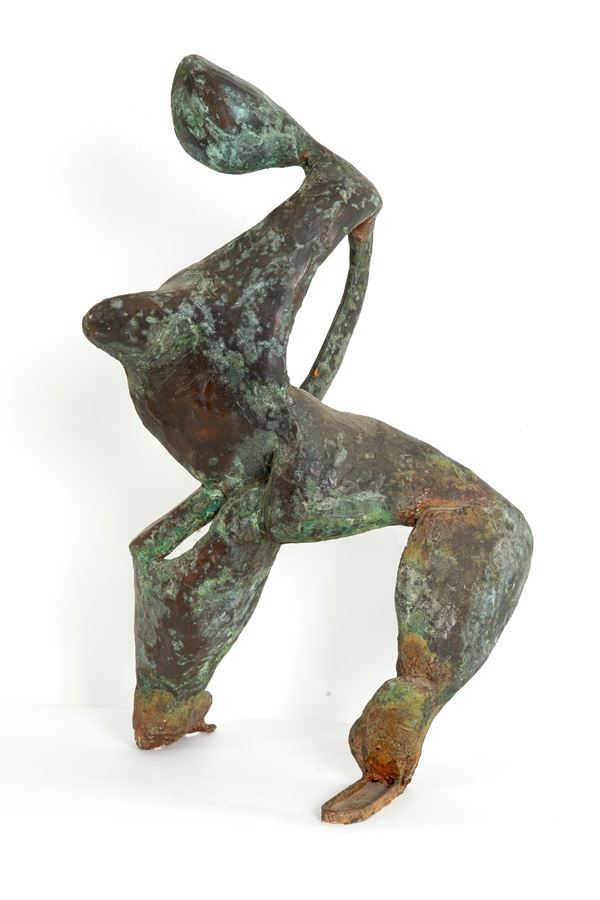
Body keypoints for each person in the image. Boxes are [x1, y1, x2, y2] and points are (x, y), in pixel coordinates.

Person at [82, 55, 532, 824]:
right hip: (291, 470)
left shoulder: (202, 306)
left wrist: (332, 193)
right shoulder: (218, 305)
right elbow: (344, 193)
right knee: (486, 515)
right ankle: (391, 709)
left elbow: (342, 197)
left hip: (280, 469)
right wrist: (332, 191)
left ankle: (171, 706)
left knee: (203, 551)